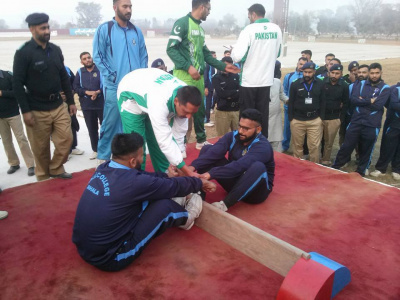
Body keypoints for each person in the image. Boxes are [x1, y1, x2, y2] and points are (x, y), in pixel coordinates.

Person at [72, 132, 216, 272]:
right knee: (165, 207)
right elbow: (170, 186)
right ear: (133, 161)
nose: (143, 158)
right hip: (110, 257)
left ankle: (177, 203)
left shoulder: (105, 167)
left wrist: (167, 176)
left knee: (151, 194)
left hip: (85, 248)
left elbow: (144, 178)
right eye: (142, 155)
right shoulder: (132, 182)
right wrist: (199, 183)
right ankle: (187, 217)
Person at [166, 0, 240, 150]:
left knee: (199, 110)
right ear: (202, 7)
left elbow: (206, 53)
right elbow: (171, 49)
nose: (209, 12)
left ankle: (201, 140)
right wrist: (188, 67)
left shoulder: (200, 29)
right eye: (208, 9)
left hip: (198, 77)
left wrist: (223, 66)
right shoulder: (183, 23)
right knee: (182, 111)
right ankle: (178, 145)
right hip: (184, 75)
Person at [13, 13, 76, 181]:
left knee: (66, 139)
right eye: (43, 28)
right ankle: (42, 178)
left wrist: (70, 101)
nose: (47, 30)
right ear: (32, 29)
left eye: (48, 27)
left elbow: (63, 75)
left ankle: (55, 168)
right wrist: (25, 111)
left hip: (58, 104)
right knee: (40, 149)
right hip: (36, 109)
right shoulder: (23, 53)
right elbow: (17, 84)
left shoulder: (55, 49)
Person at [117, 68, 202, 176]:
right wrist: (187, 172)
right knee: (136, 146)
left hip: (149, 87)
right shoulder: (159, 102)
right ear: (176, 101)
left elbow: (179, 135)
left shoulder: (186, 96)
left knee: (157, 143)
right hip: (129, 95)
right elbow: (165, 140)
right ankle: (135, 180)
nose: (189, 117)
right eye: (186, 112)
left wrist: (177, 164)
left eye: (192, 113)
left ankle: (166, 176)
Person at [93, 0, 148, 163]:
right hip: (115, 86)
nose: (128, 10)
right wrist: (113, 76)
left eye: (130, 6)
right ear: (115, 8)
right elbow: (98, 56)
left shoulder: (136, 31)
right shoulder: (105, 29)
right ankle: (102, 158)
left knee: (131, 123)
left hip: (135, 87)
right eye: (125, 6)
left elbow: (143, 55)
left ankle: (127, 159)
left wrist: (141, 75)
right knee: (110, 124)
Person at [190, 109, 275, 212]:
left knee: (258, 167)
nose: (240, 131)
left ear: (258, 129)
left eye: (246, 128)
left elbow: (240, 166)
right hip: (235, 184)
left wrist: (210, 174)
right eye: (240, 126)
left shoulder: (263, 147)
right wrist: (191, 167)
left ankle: (225, 205)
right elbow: (214, 152)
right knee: (207, 149)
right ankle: (199, 194)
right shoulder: (233, 136)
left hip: (255, 192)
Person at [231, 3, 282, 138]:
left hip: (249, 81)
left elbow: (237, 56)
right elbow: (277, 53)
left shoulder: (248, 30)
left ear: (253, 14)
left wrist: (232, 51)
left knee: (247, 116)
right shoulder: (276, 29)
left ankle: (246, 144)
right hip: (265, 80)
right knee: (262, 116)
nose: (249, 19)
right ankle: (261, 144)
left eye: (249, 16)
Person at [332, 63, 390, 176]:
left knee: (366, 149)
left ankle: (361, 171)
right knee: (346, 145)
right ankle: (336, 166)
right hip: (356, 121)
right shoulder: (361, 83)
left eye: (376, 73)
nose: (374, 75)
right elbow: (353, 100)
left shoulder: (385, 88)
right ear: (369, 73)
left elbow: (378, 106)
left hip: (372, 124)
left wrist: (362, 100)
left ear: (381, 73)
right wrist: (369, 101)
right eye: (372, 73)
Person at [0, 69, 35, 176]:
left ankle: (30, 165)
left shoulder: (7, 75)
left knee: (21, 138)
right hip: (0, 117)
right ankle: (14, 163)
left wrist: (2, 93)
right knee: (6, 141)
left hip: (13, 113)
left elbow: (19, 91)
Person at [288, 62, 325, 163]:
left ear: (314, 72)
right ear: (302, 72)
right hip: (297, 120)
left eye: (310, 72)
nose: (307, 74)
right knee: (297, 146)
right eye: (305, 72)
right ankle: (298, 166)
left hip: (314, 120)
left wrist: (320, 118)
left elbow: (323, 101)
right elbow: (291, 102)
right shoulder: (295, 84)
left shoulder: (321, 84)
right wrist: (291, 119)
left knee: (314, 147)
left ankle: (314, 167)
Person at [73, 52, 104, 160]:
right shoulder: (80, 72)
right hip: (87, 106)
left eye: (89, 57)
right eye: (85, 59)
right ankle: (95, 150)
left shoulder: (100, 69)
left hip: (101, 104)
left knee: (104, 128)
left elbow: (106, 85)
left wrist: (97, 92)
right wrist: (87, 92)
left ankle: (106, 149)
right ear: (82, 62)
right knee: (92, 129)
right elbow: (76, 88)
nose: (88, 60)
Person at [370, 81, 400, 180]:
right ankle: (381, 168)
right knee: (387, 146)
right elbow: (394, 105)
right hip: (393, 123)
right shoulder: (394, 89)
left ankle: (396, 169)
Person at [320, 64, 349, 165]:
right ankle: (314, 158)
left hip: (334, 118)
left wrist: (341, 119)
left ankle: (325, 159)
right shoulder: (322, 83)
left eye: (337, 73)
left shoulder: (344, 86)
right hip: (320, 117)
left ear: (341, 74)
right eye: (332, 73)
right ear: (329, 73)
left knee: (329, 142)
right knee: (317, 140)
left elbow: (345, 103)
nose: (334, 75)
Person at [339, 64, 369, 147]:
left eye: (356, 70)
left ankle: (359, 155)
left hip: (364, 117)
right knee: (345, 137)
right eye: (352, 71)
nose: (355, 72)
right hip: (349, 115)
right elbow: (350, 100)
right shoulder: (350, 84)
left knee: (361, 140)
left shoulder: (372, 86)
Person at [282, 57, 307, 152]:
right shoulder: (289, 76)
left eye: (304, 65)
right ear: (297, 63)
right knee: (287, 128)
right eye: (300, 64)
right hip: (289, 108)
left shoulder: (308, 77)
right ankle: (285, 146)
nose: (302, 66)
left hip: (302, 109)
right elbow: (284, 90)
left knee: (300, 130)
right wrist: (287, 101)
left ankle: (298, 148)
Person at [212, 56, 240, 136]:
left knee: (238, 136)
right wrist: (235, 92)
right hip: (222, 112)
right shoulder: (216, 78)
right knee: (222, 137)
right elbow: (221, 94)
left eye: (229, 66)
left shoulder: (236, 76)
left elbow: (241, 92)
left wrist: (229, 94)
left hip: (236, 111)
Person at [64, 66, 84, 158]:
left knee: (73, 124)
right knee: (60, 127)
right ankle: (64, 151)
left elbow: (74, 83)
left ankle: (73, 147)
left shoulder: (67, 69)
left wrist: (70, 93)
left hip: (69, 101)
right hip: (56, 103)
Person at [269, 64, 288, 152]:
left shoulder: (277, 82)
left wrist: (288, 100)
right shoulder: (257, 84)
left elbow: (281, 94)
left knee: (276, 142)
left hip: (275, 118)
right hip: (263, 119)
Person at [204, 51, 216, 127]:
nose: (215, 56)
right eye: (214, 55)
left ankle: (208, 119)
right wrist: (206, 87)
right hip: (207, 87)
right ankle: (205, 120)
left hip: (211, 87)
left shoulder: (212, 65)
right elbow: (206, 76)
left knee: (209, 103)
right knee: (206, 104)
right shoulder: (207, 64)